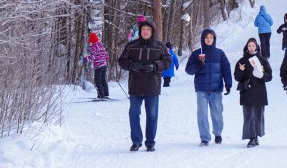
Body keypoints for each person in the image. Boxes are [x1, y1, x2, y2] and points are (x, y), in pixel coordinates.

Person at [118, 19, 172, 152]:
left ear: (152, 31)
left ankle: (150, 142)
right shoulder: (131, 45)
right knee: (134, 114)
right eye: (143, 29)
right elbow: (121, 60)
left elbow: (168, 61)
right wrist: (131, 65)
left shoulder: (159, 46)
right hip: (135, 86)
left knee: (152, 115)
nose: (145, 31)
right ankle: (136, 141)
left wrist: (155, 66)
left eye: (148, 29)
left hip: (152, 86)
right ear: (140, 31)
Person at [185, 29, 232, 146]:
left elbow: (226, 69)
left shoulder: (220, 53)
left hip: (216, 89)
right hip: (201, 89)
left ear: (214, 39)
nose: (208, 39)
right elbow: (188, 70)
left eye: (211, 37)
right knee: (202, 114)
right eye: (206, 37)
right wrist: (198, 65)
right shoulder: (197, 53)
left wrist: (228, 83)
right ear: (203, 39)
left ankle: (218, 133)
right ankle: (205, 138)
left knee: (217, 114)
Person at [234, 38, 273, 147]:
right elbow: (237, 77)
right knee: (248, 115)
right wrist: (241, 71)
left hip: (259, 92)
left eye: (253, 46)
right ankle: (252, 138)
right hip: (246, 91)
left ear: (256, 47)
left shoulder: (263, 60)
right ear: (246, 47)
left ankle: (256, 136)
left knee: (258, 115)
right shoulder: (242, 60)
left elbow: (269, 76)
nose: (251, 48)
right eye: (249, 46)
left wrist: (261, 75)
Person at [85, 33, 110, 99]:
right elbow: (106, 55)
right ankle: (106, 93)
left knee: (98, 81)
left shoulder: (94, 46)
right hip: (104, 65)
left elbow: (93, 56)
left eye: (90, 41)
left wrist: (85, 59)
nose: (90, 43)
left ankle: (101, 95)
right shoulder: (101, 45)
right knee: (103, 79)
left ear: (92, 40)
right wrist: (105, 60)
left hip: (98, 66)